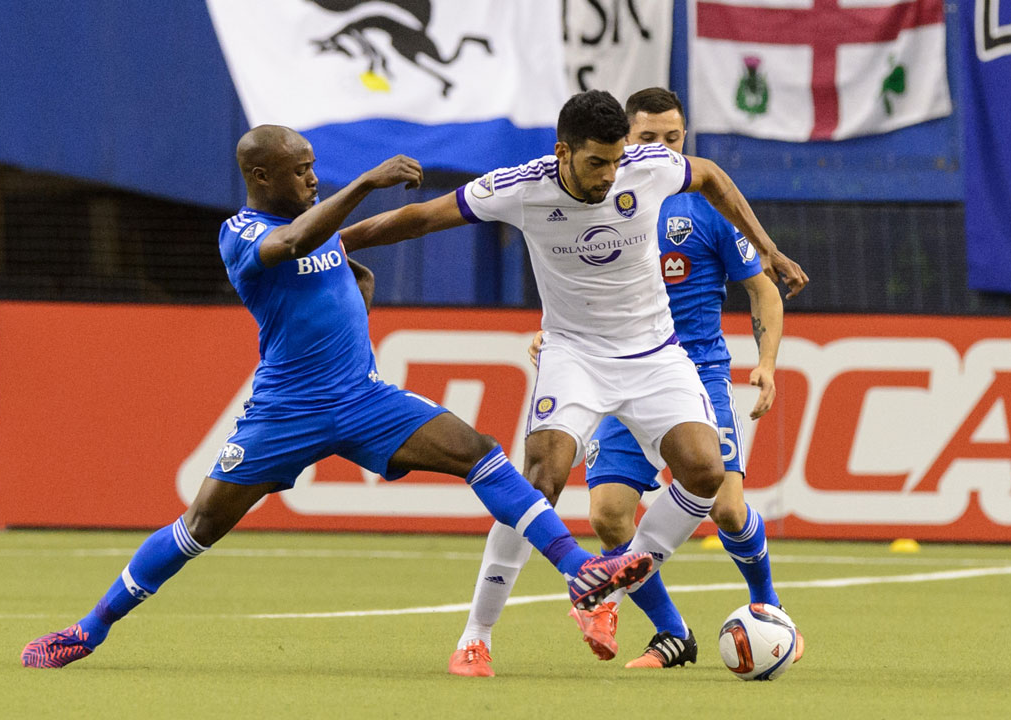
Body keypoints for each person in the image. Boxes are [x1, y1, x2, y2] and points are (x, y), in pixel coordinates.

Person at [19, 125, 652, 669]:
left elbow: (350, 273)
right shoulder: (240, 232)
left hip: (361, 397)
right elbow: (292, 245)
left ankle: (579, 571)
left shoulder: (318, 228)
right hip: (285, 412)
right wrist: (368, 182)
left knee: (478, 450)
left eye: (316, 168)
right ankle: (89, 629)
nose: (314, 180)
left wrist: (354, 314)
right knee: (200, 527)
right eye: (301, 172)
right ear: (261, 175)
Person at [338, 90, 808, 677]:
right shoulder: (519, 187)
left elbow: (710, 176)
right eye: (596, 164)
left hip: (656, 354)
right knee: (540, 481)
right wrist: (334, 241)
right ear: (563, 152)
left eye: (616, 161)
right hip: (574, 356)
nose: (610, 176)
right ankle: (476, 636)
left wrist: (768, 249)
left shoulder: (647, 168)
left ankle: (614, 573)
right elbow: (418, 218)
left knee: (708, 474)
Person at [514, 87, 801, 669]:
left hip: (690, 372)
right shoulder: (588, 198)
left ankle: (767, 607)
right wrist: (560, 337)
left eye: (673, 138)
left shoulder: (705, 212)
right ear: (625, 140)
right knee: (608, 515)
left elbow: (763, 289)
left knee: (725, 506)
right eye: (648, 139)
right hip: (611, 372)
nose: (660, 150)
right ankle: (673, 634)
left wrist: (766, 363)